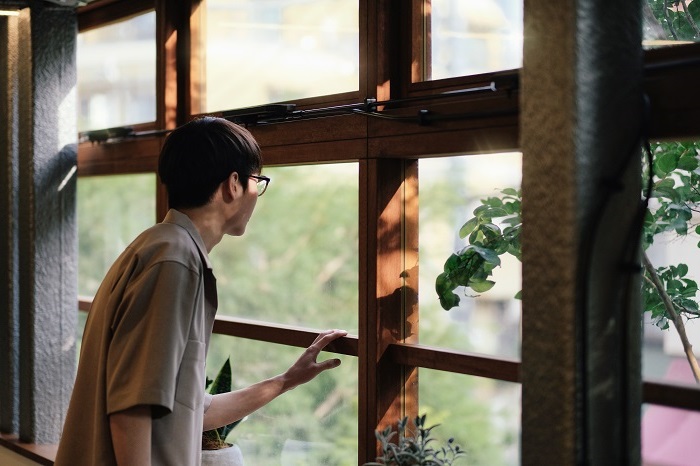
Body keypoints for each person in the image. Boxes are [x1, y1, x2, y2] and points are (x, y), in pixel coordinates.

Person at [55, 116, 347, 466]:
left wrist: (286, 381)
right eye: (258, 180)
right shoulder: (173, 261)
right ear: (233, 184)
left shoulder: (161, 246)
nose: (258, 193)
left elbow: (194, 411)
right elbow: (131, 407)